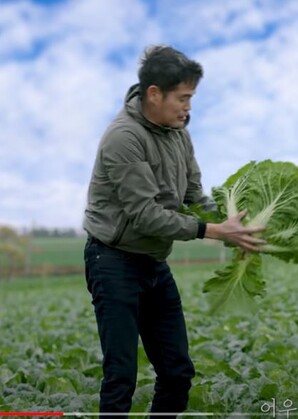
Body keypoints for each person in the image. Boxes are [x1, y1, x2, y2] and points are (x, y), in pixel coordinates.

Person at [82, 45, 265, 418]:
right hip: (113, 260)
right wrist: (214, 231)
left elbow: (194, 196)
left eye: (191, 98)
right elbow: (145, 214)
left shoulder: (179, 133)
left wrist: (237, 223)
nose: (188, 107)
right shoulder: (123, 138)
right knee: (121, 376)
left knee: (177, 371)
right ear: (154, 93)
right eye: (183, 98)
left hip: (152, 261)